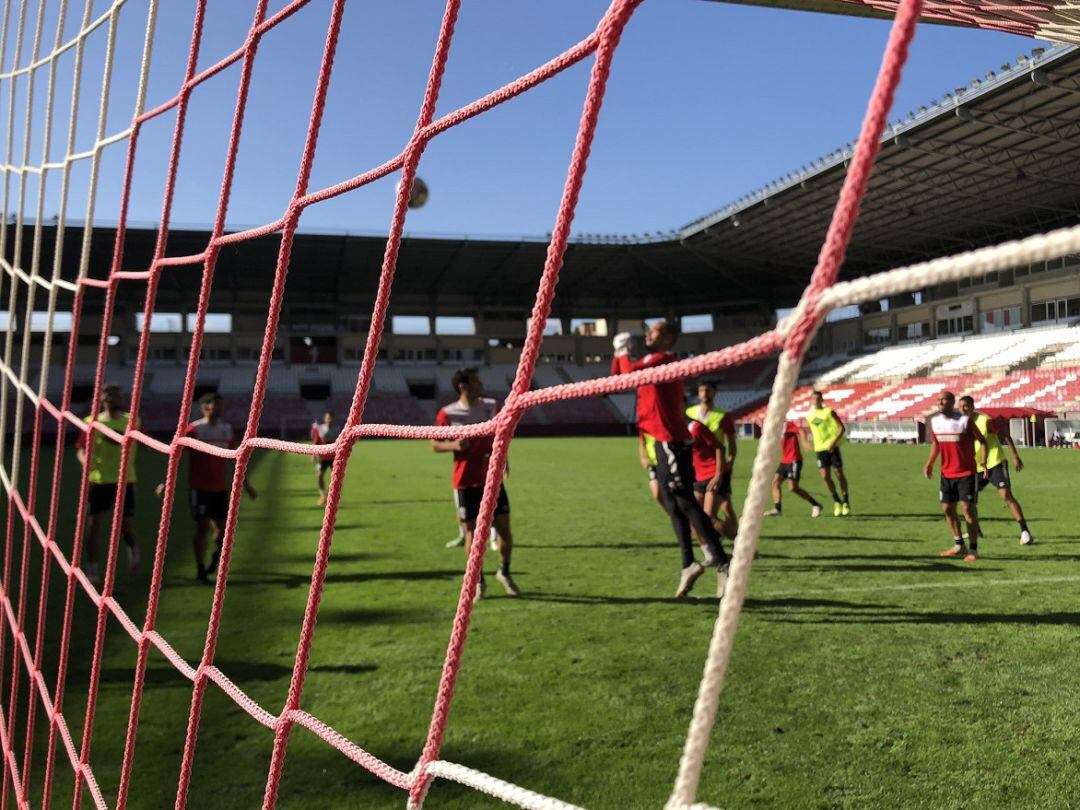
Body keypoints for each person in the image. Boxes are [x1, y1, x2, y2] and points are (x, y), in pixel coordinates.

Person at [612, 321, 729, 598]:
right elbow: (619, 378)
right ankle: (688, 563)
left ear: (668, 339)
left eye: (656, 331)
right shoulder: (650, 361)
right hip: (661, 441)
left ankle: (723, 560)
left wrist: (621, 351)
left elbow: (627, 374)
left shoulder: (661, 359)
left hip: (671, 440)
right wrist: (618, 353)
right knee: (672, 504)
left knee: (685, 501)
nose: (649, 334)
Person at [432, 367, 519, 599]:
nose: (481, 384)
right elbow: (434, 443)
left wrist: (503, 459)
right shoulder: (448, 413)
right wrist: (454, 445)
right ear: (464, 386)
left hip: (492, 480)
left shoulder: (491, 406)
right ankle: (478, 579)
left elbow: (501, 435)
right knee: (471, 534)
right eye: (476, 381)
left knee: (504, 530)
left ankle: (505, 572)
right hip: (465, 482)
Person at [158, 392, 257, 583]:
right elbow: (176, 457)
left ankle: (214, 558)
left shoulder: (226, 430)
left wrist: (247, 485)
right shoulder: (194, 430)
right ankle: (201, 570)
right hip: (199, 488)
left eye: (221, 405)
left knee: (222, 531)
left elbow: (236, 460)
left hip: (219, 489)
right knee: (202, 527)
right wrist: (166, 480)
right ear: (205, 407)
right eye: (215, 404)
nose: (219, 408)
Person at [75, 383, 140, 586]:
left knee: (125, 526)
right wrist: (85, 462)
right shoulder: (91, 423)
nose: (115, 398)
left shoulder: (132, 422)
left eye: (118, 394)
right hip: (98, 481)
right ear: (102, 398)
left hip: (125, 480)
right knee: (93, 525)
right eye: (110, 394)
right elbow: (80, 449)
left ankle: (133, 548)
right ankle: (92, 570)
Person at [959, 396, 1033, 545]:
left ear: (973, 407)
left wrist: (1015, 456)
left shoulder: (985, 420)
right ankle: (976, 531)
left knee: (1006, 495)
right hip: (975, 467)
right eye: (960, 406)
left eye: (966, 406)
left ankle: (1025, 531)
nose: (962, 409)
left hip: (995, 462)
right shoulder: (959, 424)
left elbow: (1005, 435)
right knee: (969, 500)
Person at [923, 391, 987, 562]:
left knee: (968, 510)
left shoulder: (965, 421)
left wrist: (983, 462)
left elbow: (982, 441)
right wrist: (930, 464)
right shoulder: (935, 422)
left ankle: (973, 549)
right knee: (947, 510)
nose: (940, 403)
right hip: (946, 474)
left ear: (952, 403)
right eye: (938, 400)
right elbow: (936, 444)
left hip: (966, 473)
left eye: (944, 400)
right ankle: (959, 544)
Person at [686, 381, 738, 541]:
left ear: (714, 393)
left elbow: (730, 443)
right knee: (723, 507)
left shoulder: (722, 415)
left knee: (721, 509)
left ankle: (740, 544)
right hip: (697, 469)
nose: (704, 393)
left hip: (717, 468)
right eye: (701, 390)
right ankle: (733, 541)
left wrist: (730, 462)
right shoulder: (690, 412)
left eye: (708, 390)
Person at [763, 420, 823, 517]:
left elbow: (801, 430)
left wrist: (804, 442)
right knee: (775, 483)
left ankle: (816, 505)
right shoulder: (775, 428)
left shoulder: (786, 424)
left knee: (793, 487)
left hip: (794, 459)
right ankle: (777, 509)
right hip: (784, 460)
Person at [805, 390, 851, 516]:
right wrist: (804, 442)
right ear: (811, 400)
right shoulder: (809, 416)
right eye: (814, 399)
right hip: (820, 450)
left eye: (818, 399)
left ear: (822, 400)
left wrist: (833, 442)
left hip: (832, 447)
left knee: (838, 473)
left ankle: (846, 501)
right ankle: (837, 501)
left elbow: (841, 428)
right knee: (825, 476)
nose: (816, 401)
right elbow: (808, 430)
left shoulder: (829, 412)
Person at [311, 410, 341, 506]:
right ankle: (323, 496)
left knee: (336, 479)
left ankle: (334, 497)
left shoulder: (337, 429)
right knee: (319, 475)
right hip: (322, 458)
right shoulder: (320, 429)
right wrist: (314, 454)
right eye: (328, 418)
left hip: (334, 458)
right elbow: (316, 442)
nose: (330, 420)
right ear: (325, 419)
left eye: (331, 418)